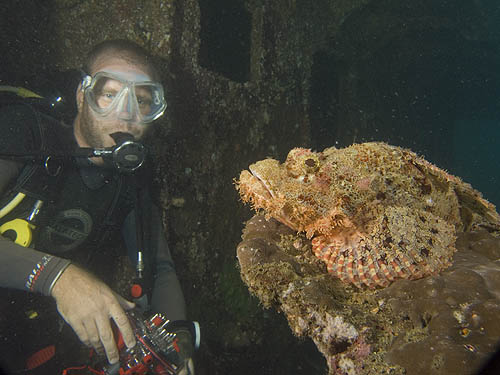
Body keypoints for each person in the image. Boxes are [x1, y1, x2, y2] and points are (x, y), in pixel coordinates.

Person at [0, 39, 195, 374]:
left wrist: (177, 343)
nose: (126, 112)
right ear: (82, 95)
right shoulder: (25, 134)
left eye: (143, 100)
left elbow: (160, 269)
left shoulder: (131, 180)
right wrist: (58, 278)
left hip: (32, 339)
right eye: (110, 93)